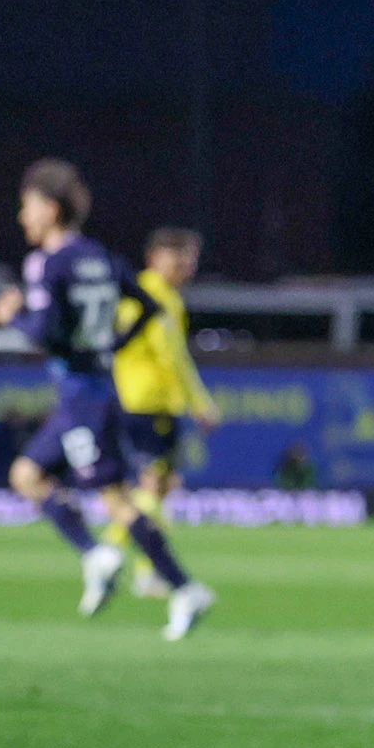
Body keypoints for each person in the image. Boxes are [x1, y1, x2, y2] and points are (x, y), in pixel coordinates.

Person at [0, 158, 215, 640]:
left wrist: (11, 317)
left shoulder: (52, 264)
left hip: (83, 397)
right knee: (26, 475)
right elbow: (148, 307)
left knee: (118, 500)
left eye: (26, 206)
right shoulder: (99, 256)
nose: (21, 217)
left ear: (50, 209)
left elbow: (48, 334)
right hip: (93, 388)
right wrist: (111, 345)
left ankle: (181, 586)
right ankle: (98, 556)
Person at [108, 227, 221, 599]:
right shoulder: (158, 298)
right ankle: (116, 556)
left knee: (162, 485)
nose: (188, 267)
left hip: (137, 400)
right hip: (149, 402)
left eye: (191, 259)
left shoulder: (137, 293)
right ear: (156, 256)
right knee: (152, 485)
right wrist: (200, 402)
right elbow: (173, 357)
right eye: (181, 258)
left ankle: (138, 566)